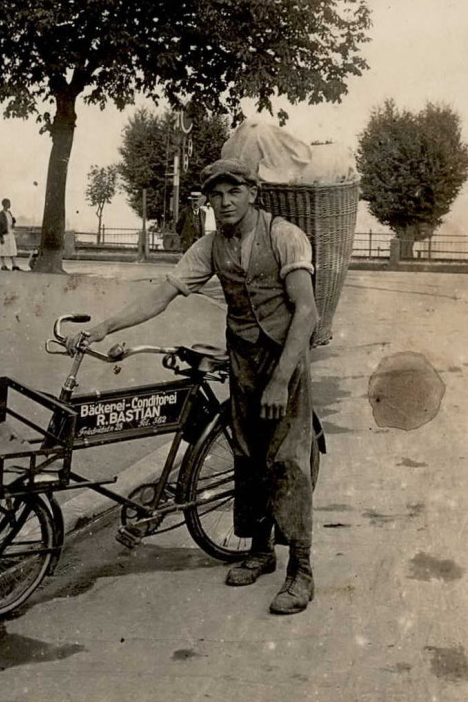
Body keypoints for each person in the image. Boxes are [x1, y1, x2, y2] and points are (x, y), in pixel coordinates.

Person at [67, 158, 319, 615]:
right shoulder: (210, 247)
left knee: (285, 461)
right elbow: (162, 294)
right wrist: (106, 326)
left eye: (233, 193)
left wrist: (282, 378)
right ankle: (260, 551)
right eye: (216, 196)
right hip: (242, 358)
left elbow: (306, 312)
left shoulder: (284, 235)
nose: (224, 203)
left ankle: (301, 570)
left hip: (285, 362)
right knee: (247, 455)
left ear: (252, 193)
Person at [0, 199, 20, 271]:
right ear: (5, 204)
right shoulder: (1, 214)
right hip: (4, 233)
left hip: (9, 232)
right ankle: (3, 264)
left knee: (12, 248)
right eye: (9, 203)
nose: (10, 205)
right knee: (2, 249)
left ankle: (14, 264)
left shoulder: (9, 213)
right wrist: (1, 236)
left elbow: (10, 222)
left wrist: (13, 222)